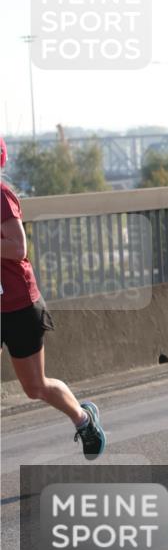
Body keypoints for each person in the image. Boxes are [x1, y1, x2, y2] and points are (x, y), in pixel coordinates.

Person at [0, 136, 107, 459]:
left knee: (35, 388)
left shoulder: (2, 195)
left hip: (18, 305)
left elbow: (18, 248)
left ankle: (83, 419)